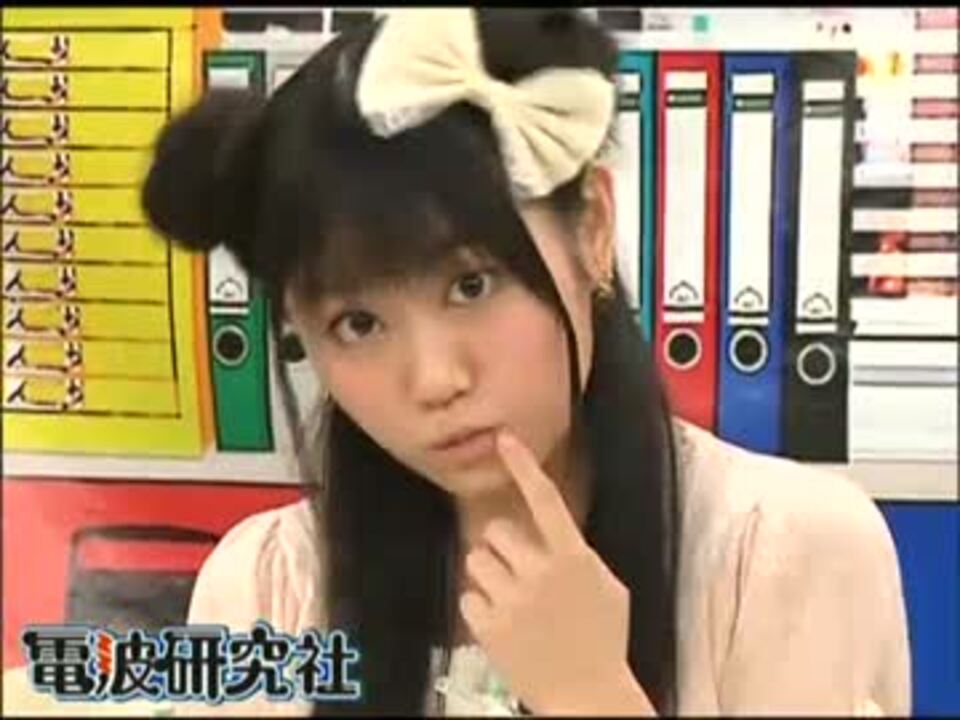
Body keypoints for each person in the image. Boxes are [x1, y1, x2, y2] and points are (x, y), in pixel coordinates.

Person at [142, 8, 910, 717]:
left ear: (594, 229)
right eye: (359, 323)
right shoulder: (265, 588)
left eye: (472, 284)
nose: (435, 379)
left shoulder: (785, 555)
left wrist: (592, 694)